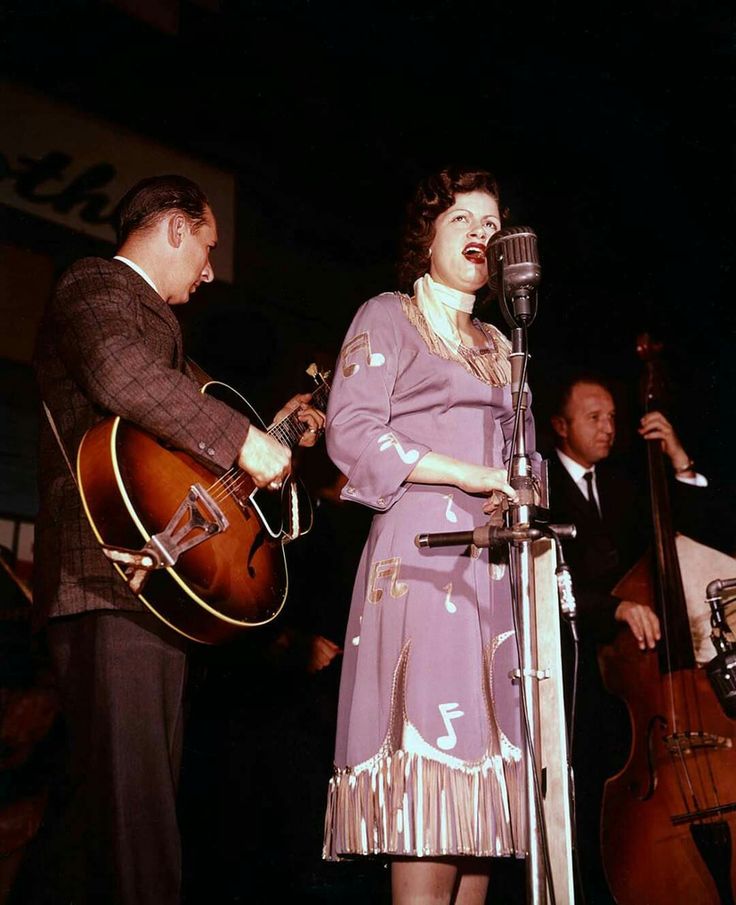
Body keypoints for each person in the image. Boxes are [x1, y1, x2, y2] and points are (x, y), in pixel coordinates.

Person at [23, 174, 324, 905]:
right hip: (112, 578)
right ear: (175, 228)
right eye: (207, 248)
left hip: (145, 592)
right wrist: (240, 439)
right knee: (140, 835)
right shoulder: (95, 285)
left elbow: (198, 419)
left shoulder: (171, 347)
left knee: (98, 827)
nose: (211, 270)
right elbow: (119, 373)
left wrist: (279, 432)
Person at [322, 166, 537, 905]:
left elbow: (526, 466)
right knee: (429, 797)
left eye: (490, 222)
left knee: (478, 820)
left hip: (493, 579)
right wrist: (464, 473)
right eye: (461, 219)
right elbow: (351, 434)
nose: (480, 232)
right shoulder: (387, 315)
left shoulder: (509, 345)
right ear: (427, 237)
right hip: (420, 565)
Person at [546, 372, 730, 904]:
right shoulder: (543, 488)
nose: (609, 428)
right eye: (594, 418)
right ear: (560, 425)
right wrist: (617, 606)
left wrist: (678, 459)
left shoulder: (627, 484)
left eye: (612, 418)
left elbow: (694, 530)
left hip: (639, 679)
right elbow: (547, 580)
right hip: (578, 674)